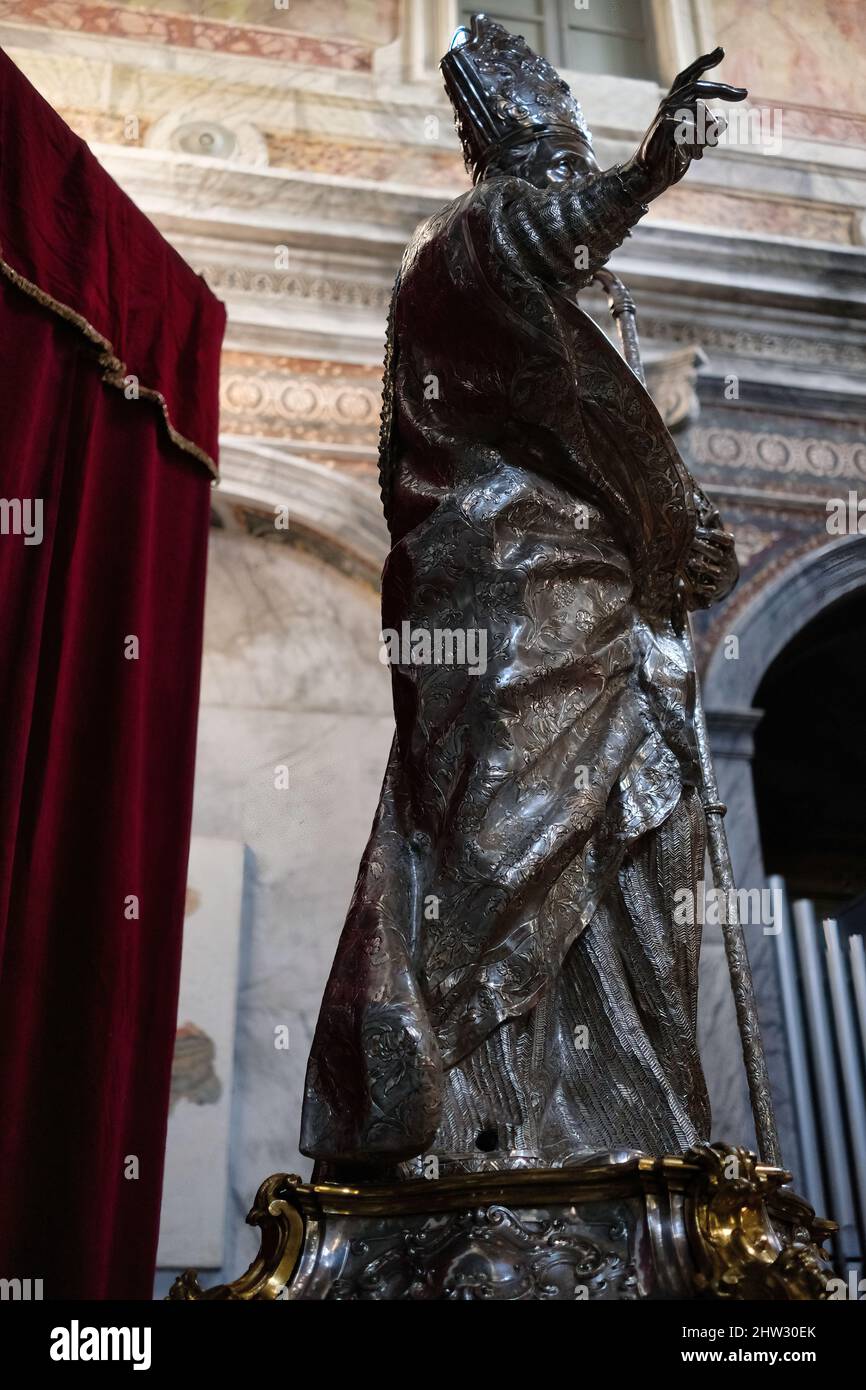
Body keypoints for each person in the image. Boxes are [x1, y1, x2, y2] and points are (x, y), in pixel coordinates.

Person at [300, 14, 745, 1176]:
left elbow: (603, 422)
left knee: (627, 844)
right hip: (506, 600)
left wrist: (675, 532)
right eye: (556, 142)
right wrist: (649, 170)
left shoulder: (532, 259)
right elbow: (541, 231)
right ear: (515, 148)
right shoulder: (469, 240)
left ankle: (614, 1121)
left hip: (599, 600)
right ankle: (462, 1113)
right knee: (507, 840)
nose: (568, 158)